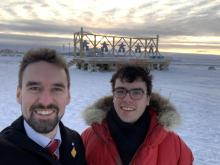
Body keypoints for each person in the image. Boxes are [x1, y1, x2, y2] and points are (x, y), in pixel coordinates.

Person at [81, 65, 193, 165]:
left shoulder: (175, 145)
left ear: (148, 99)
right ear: (113, 96)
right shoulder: (88, 138)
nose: (127, 99)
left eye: (136, 92)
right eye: (120, 91)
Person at [0, 48, 86, 165]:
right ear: (19, 94)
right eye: (34, 88)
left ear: (68, 96)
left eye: (56, 89)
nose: (45, 101)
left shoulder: (75, 140)